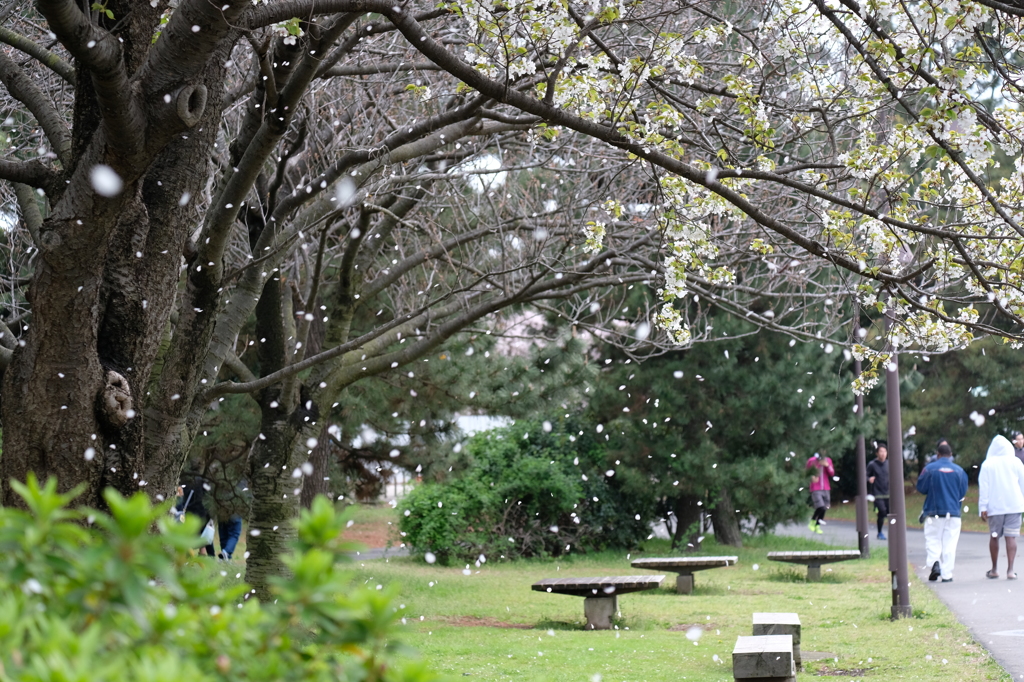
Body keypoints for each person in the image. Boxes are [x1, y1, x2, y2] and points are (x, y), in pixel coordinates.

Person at [916, 443, 968, 582]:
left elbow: (921, 487)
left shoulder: (929, 469)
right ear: (951, 455)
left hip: (934, 511)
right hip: (953, 512)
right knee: (950, 543)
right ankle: (947, 574)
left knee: (933, 540)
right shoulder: (960, 471)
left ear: (937, 454)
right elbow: (962, 492)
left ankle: (935, 564)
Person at [978, 434, 1024, 580]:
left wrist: (983, 507)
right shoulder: (1016, 462)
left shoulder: (987, 464)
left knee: (994, 536)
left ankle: (994, 569)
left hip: (994, 507)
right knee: (1011, 538)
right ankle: (1010, 571)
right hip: (1014, 506)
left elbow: (984, 488)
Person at [806, 452, 834, 534]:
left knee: (825, 507)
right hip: (816, 487)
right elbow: (807, 472)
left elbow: (832, 473)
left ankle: (817, 525)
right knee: (820, 506)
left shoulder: (828, 460)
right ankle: (812, 521)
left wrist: (827, 465)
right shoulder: (811, 461)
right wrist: (812, 477)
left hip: (826, 487)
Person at [866, 442, 890, 540]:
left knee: (890, 513)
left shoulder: (889, 463)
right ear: (877, 453)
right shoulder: (872, 464)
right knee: (882, 512)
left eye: (884, 451)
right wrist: (869, 479)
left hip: (888, 493)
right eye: (881, 451)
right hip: (877, 493)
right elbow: (865, 475)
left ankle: (892, 532)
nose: (883, 453)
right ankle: (879, 532)